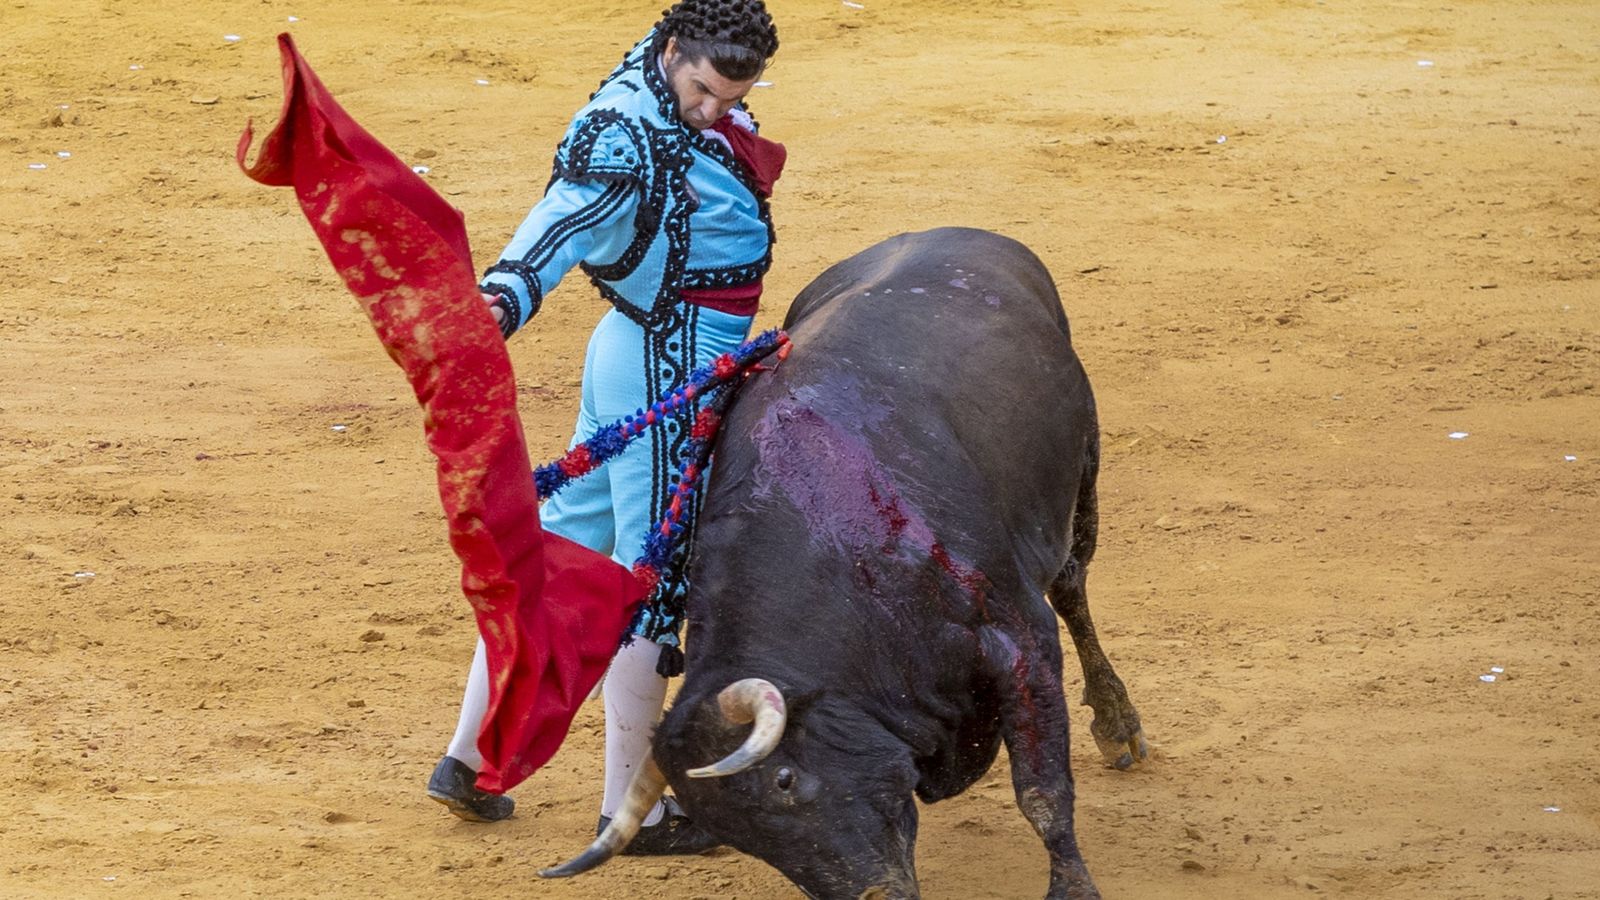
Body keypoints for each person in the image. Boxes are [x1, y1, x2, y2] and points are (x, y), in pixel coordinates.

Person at [425, 0, 784, 856]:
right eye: (702, 90)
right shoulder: (623, 131)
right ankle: (636, 808)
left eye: (732, 95)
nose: (714, 110)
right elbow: (561, 223)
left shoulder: (670, 86)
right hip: (665, 362)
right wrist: (496, 305)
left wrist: (714, 102)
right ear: (671, 54)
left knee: (566, 556)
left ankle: (468, 760)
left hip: (643, 351)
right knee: (648, 579)